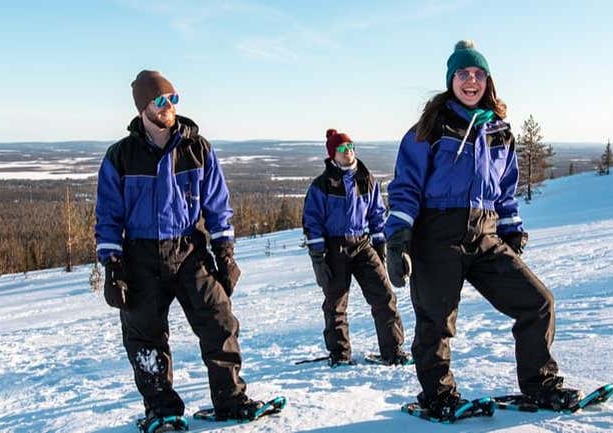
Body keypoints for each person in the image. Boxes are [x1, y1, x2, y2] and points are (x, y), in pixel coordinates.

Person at [384, 41, 581, 419]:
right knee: (437, 321)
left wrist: (511, 229)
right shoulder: (431, 127)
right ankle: (437, 394)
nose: (470, 81)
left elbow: (505, 191)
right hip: (436, 235)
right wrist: (398, 237)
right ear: (451, 80)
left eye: (477, 74)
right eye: (463, 74)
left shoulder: (499, 131)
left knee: (537, 302)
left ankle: (540, 384)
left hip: (485, 234)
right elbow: (406, 186)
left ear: (487, 81)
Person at [95, 70, 264, 429]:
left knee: (219, 321)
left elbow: (218, 205)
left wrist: (226, 253)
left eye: (173, 98)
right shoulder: (121, 156)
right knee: (145, 337)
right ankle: (162, 409)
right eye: (160, 100)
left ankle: (230, 399)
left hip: (189, 249)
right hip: (140, 255)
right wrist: (112, 265)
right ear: (144, 107)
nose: (169, 105)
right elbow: (108, 216)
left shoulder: (197, 148)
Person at [302, 129, 408, 367]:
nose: (348, 152)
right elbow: (312, 221)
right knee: (336, 303)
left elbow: (377, 214)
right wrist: (318, 257)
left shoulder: (366, 179)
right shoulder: (322, 185)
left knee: (384, 295)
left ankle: (393, 350)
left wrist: (381, 246)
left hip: (362, 244)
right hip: (334, 247)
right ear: (332, 155)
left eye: (350, 147)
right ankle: (339, 354)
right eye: (342, 149)